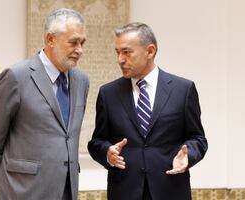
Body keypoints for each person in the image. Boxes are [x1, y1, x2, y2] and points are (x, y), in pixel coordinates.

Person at [87, 22, 208, 200]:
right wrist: (107, 152)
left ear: (150, 51)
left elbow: (198, 139)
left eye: (127, 52)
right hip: (124, 192)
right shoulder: (108, 93)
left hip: (170, 191)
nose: (120, 59)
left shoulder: (183, 89)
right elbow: (96, 142)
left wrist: (188, 155)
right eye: (117, 52)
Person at [0, 8, 89, 200]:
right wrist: (7, 183)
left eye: (82, 43)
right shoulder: (16, 77)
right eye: (73, 42)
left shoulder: (82, 81)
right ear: (50, 39)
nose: (79, 49)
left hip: (67, 190)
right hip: (22, 191)